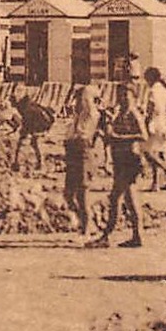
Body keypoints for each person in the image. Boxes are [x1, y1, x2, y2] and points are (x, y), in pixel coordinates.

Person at [87, 81, 145, 249]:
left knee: (118, 198)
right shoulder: (121, 113)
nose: (122, 98)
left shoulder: (134, 114)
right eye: (120, 95)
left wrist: (117, 137)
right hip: (120, 159)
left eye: (125, 95)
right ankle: (136, 235)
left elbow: (143, 136)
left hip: (130, 159)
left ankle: (107, 236)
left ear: (133, 97)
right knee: (126, 198)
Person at [63, 84, 103, 238]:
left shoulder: (91, 114)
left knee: (82, 194)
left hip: (82, 154)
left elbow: (82, 135)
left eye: (80, 98)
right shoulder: (79, 116)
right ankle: (86, 223)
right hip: (73, 154)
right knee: (68, 194)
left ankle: (86, 228)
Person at [141, 67, 166, 191]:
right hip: (164, 121)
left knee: (149, 152)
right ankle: (162, 183)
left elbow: (150, 110)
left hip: (155, 123)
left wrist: (145, 124)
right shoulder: (164, 90)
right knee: (160, 152)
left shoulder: (152, 91)